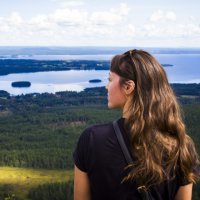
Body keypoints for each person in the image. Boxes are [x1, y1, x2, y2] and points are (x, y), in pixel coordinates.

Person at [73, 49, 200, 200]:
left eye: (110, 80)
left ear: (128, 87)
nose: (106, 86)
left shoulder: (92, 139)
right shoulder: (182, 145)